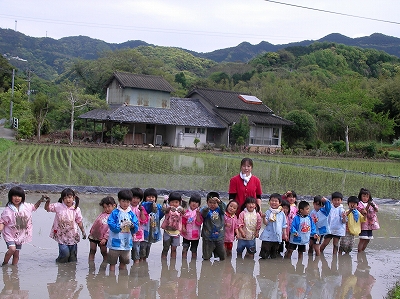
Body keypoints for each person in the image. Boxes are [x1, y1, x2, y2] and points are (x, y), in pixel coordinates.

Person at [0, 186, 46, 265]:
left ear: (22, 198)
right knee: (12, 249)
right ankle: (4, 264)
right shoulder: (7, 210)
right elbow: (2, 222)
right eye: (14, 196)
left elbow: (34, 207)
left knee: (16, 254)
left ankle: (14, 270)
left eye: (19, 196)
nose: (17, 198)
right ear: (10, 197)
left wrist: (40, 200)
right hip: (9, 234)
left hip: (20, 235)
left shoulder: (26, 207)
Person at [44, 188, 86, 263]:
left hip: (73, 235)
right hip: (61, 235)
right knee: (65, 254)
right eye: (65, 198)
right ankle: (61, 269)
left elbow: (79, 221)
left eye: (69, 197)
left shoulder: (76, 209)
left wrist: (83, 231)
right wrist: (48, 201)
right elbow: (47, 208)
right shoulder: (58, 206)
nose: (68, 200)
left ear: (73, 197)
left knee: (73, 258)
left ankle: (71, 272)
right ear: (62, 198)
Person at [107, 189, 139, 272]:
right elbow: (110, 224)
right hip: (114, 243)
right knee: (112, 263)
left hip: (126, 243)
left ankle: (123, 282)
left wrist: (132, 226)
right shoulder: (114, 213)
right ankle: (111, 280)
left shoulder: (131, 214)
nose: (125, 204)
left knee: (124, 263)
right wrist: (120, 226)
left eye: (128, 202)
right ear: (119, 200)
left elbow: (136, 227)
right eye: (123, 201)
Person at [88, 196, 116, 262]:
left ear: (114, 205)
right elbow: (96, 223)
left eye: (109, 206)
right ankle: (90, 266)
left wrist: (105, 238)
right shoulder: (102, 213)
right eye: (105, 207)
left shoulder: (114, 216)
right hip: (94, 236)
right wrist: (91, 231)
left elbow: (110, 229)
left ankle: (105, 263)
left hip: (103, 238)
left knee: (104, 252)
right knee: (92, 250)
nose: (107, 209)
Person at [259, 193, 287, 259]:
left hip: (277, 236)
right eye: (272, 200)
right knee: (264, 254)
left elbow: (284, 225)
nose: (273, 202)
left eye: (276, 201)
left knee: (274, 254)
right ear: (269, 202)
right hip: (267, 236)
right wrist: (263, 218)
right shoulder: (268, 212)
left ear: (280, 203)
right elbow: (266, 223)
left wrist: (285, 234)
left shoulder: (281, 213)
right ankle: (263, 267)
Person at [200, 191, 226, 261]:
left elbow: (225, 209)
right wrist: (207, 208)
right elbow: (202, 213)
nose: (212, 205)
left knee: (222, 256)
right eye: (210, 202)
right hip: (207, 236)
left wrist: (219, 202)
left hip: (219, 236)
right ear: (207, 202)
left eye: (214, 203)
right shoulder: (205, 209)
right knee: (206, 257)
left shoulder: (220, 210)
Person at [140, 188, 164, 261]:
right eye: (149, 197)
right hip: (144, 231)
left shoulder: (157, 207)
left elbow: (160, 216)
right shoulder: (143, 206)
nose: (151, 198)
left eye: (153, 197)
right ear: (145, 198)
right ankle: (141, 260)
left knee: (148, 247)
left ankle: (144, 260)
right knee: (142, 247)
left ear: (155, 198)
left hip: (152, 231)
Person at [161, 191, 184, 259]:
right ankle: (163, 264)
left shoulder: (179, 210)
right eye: (172, 202)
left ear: (179, 203)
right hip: (167, 232)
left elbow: (184, 213)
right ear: (169, 202)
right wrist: (170, 208)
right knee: (165, 248)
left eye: (176, 202)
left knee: (174, 249)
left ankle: (173, 266)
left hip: (176, 233)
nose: (174, 204)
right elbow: (166, 210)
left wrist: (182, 209)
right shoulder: (168, 209)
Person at [357, 188, 379, 252]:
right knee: (363, 239)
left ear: (369, 197)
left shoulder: (372, 203)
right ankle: (359, 252)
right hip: (363, 225)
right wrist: (368, 205)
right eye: (363, 196)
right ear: (360, 196)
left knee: (368, 239)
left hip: (370, 225)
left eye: (367, 196)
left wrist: (373, 206)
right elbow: (364, 212)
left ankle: (362, 251)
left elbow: (377, 210)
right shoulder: (359, 204)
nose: (365, 198)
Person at [130, 187, 149, 264]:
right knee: (133, 248)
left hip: (139, 231)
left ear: (140, 199)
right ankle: (135, 262)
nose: (135, 200)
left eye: (137, 198)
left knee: (139, 248)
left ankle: (138, 264)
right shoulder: (127, 208)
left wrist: (141, 211)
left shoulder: (141, 208)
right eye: (133, 198)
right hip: (129, 232)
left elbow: (144, 220)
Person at [181, 193, 203, 259]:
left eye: (196, 202)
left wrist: (198, 214)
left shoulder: (199, 212)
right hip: (186, 233)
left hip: (195, 235)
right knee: (184, 249)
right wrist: (183, 227)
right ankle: (183, 264)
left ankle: (193, 265)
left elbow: (199, 223)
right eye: (193, 201)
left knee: (194, 250)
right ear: (190, 202)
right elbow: (183, 221)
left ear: (199, 204)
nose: (194, 203)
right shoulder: (186, 211)